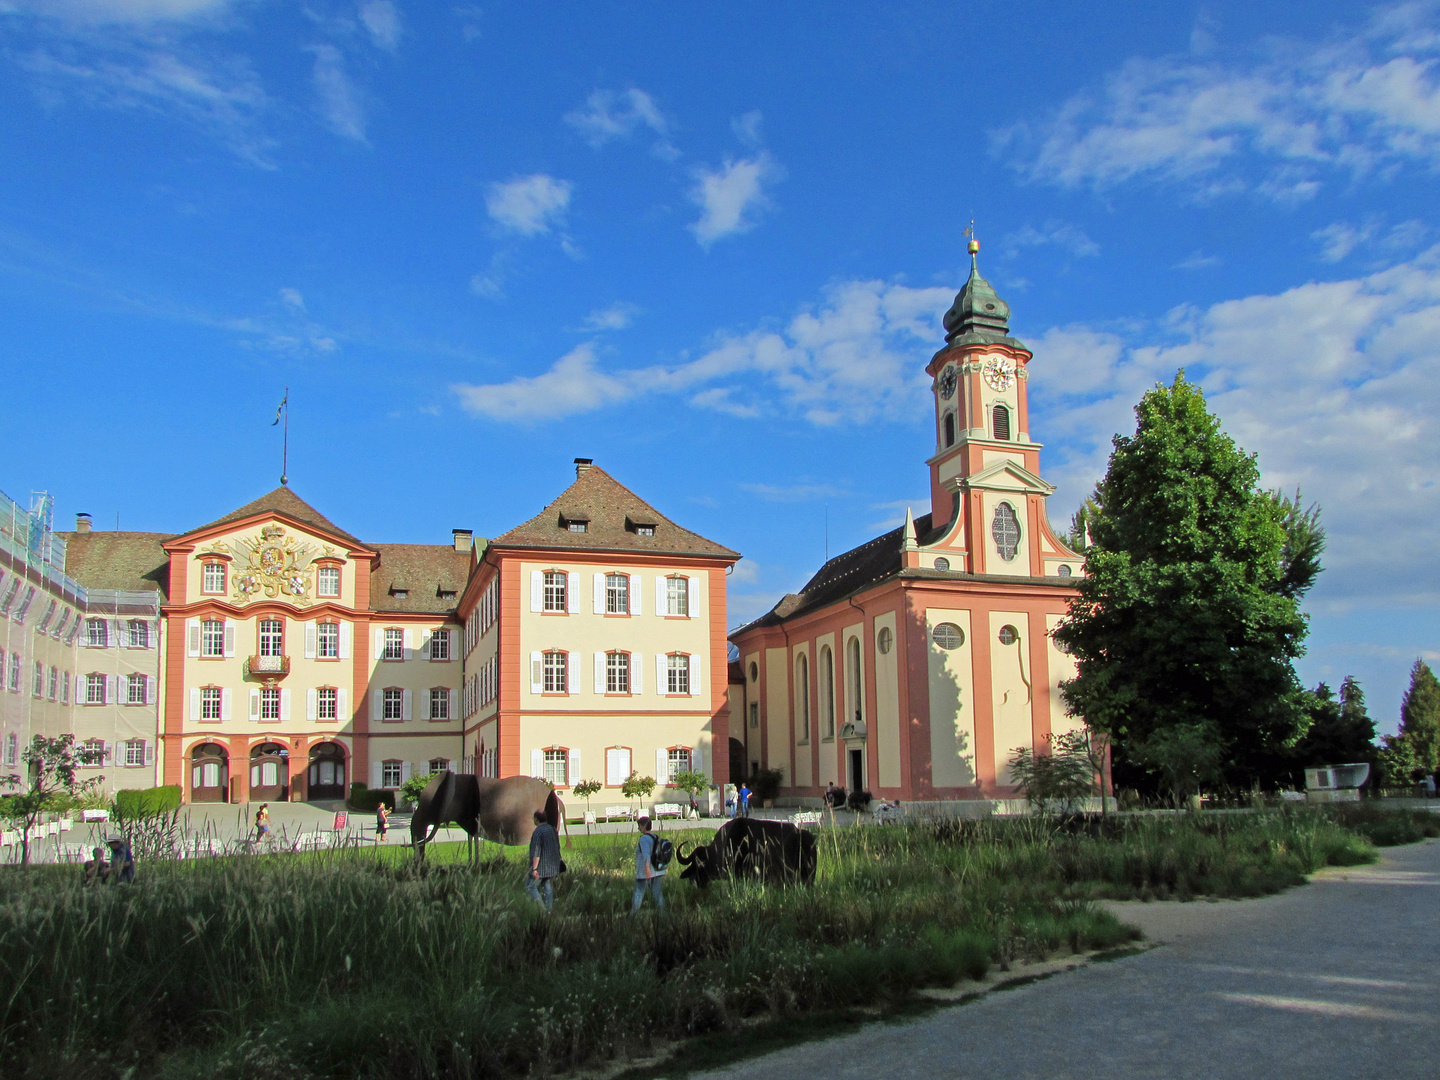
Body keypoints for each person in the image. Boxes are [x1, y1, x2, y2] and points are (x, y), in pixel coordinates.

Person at [525, 809, 561, 912]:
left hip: (541, 866)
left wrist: (534, 869)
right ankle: (549, 911)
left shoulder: (538, 832)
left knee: (530, 887)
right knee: (547, 887)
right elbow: (557, 846)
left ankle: (542, 910)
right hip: (552, 865)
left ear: (536, 819)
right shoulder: (552, 829)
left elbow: (536, 852)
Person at [631, 816, 665, 914]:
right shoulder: (655, 837)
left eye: (640, 826)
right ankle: (663, 915)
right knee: (658, 895)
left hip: (644, 873)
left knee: (638, 894)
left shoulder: (644, 839)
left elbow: (646, 855)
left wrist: (647, 870)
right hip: (657, 871)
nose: (639, 828)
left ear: (644, 826)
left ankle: (632, 916)